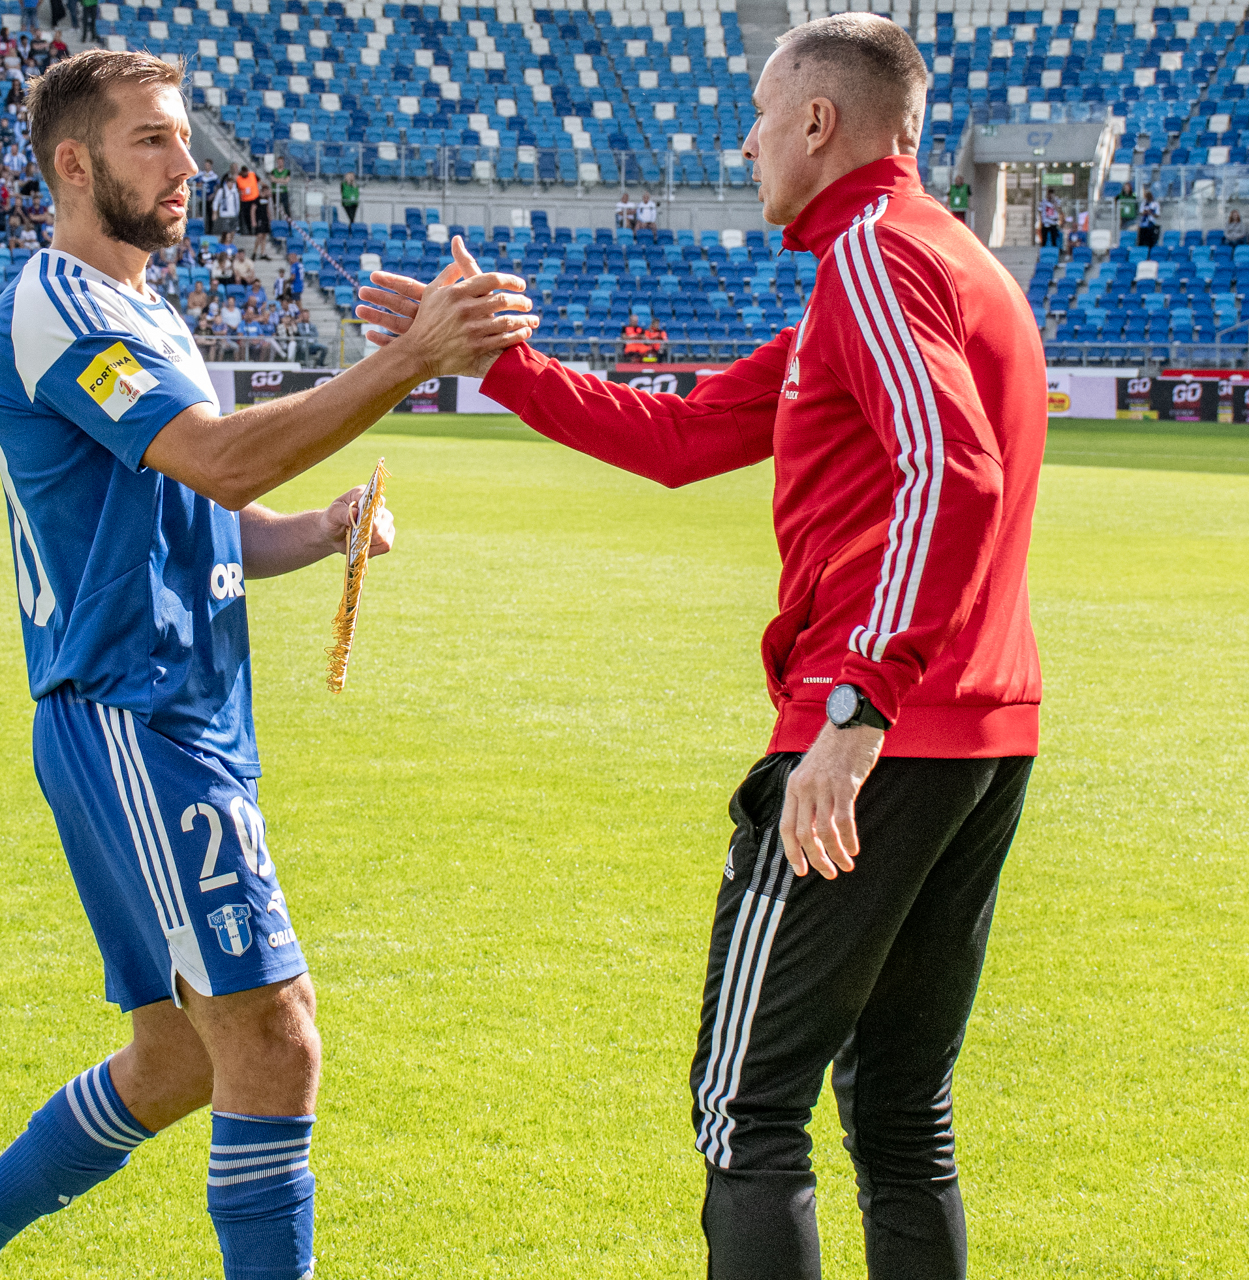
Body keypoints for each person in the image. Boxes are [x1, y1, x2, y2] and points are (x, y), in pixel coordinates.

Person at [364, 17, 1042, 1279]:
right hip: (983, 731)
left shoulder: (875, 256)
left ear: (818, 123)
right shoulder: (943, 260)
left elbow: (955, 473)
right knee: (903, 1109)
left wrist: (857, 707)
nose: (745, 143)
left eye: (758, 116)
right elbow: (682, 437)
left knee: (748, 1105)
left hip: (874, 730)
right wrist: (505, 363)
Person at [0, 48, 532, 1280]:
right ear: (74, 164)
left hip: (182, 713)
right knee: (275, 1039)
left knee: (175, 1061)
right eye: (154, 140)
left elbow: (209, 513)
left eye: (185, 137)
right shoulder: (57, 305)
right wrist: (409, 357)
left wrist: (318, 529)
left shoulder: (144, 308)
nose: (189, 166)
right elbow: (221, 457)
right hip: (134, 714)